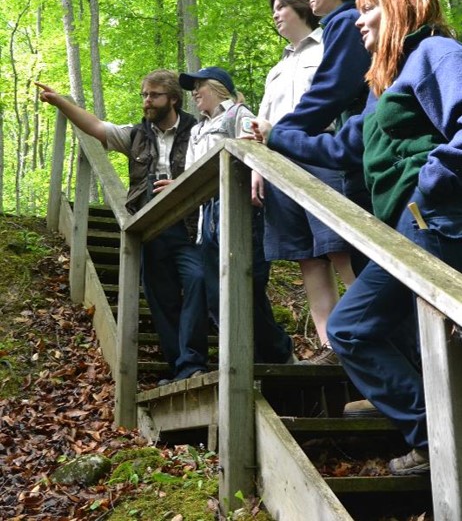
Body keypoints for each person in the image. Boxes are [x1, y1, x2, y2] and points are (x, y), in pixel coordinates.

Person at [253, 0, 462, 475]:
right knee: (402, 334)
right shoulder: (382, 83)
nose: (358, 22)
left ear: (400, 12)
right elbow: (344, 149)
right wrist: (277, 137)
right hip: (405, 228)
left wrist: (430, 183)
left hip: (433, 221)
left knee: (350, 326)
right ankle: (435, 427)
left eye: (369, 11)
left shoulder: (436, 55)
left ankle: (435, 440)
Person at [36, 71, 208, 386]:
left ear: (172, 98)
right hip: (150, 230)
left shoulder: (198, 133)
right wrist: (61, 102)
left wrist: (183, 185)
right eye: (144, 94)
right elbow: (96, 127)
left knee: (198, 281)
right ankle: (181, 369)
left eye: (153, 95)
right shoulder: (136, 135)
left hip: (188, 229)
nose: (146, 101)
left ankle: (193, 362)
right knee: (163, 300)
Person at [252, 0, 355, 361]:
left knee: (339, 247)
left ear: (300, 9)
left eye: (281, 7)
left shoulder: (331, 43)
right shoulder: (276, 70)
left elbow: (340, 95)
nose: (276, 14)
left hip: (322, 152)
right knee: (307, 258)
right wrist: (257, 168)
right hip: (279, 163)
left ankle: (370, 334)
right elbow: (260, 124)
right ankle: (333, 351)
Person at [179, 66, 295, 364]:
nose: (193, 92)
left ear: (218, 87)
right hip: (209, 216)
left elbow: (256, 152)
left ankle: (275, 352)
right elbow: (192, 174)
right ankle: (251, 355)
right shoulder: (196, 130)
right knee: (215, 293)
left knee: (249, 285)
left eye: (199, 86)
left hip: (242, 209)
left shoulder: (239, 114)